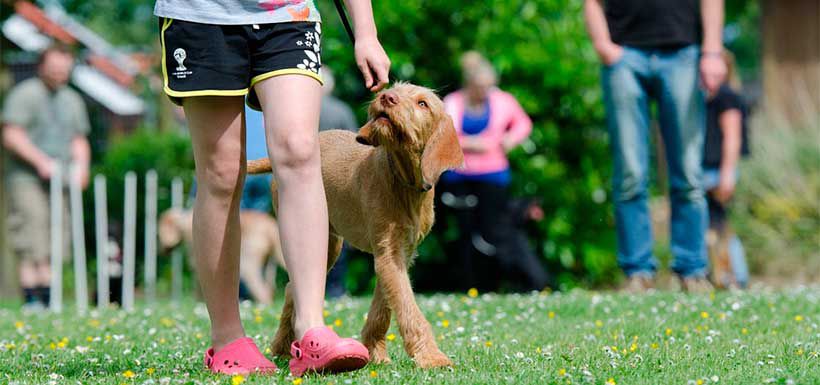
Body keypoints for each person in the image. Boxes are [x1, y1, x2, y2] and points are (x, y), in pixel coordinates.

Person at [153, 0, 390, 376]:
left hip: (286, 14)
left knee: (299, 150)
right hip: (201, 15)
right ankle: (228, 338)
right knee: (222, 173)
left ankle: (311, 329)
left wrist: (366, 32)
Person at [584, 0, 727, 292]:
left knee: (688, 171)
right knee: (630, 172)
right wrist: (603, 46)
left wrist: (712, 51)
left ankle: (692, 271)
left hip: (682, 54)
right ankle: (637, 272)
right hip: (624, 56)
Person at [2, 44, 91, 310]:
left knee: (57, 237)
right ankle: (32, 301)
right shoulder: (25, 94)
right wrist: (40, 161)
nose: (59, 73)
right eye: (54, 68)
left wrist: (82, 168)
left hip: (60, 179)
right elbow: (11, 134)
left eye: (64, 69)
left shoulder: (71, 99)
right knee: (32, 235)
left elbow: (78, 139)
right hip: (26, 178)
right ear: (42, 66)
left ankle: (50, 299)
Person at [438, 51, 534, 291]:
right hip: (459, 176)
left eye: (487, 86)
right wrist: (473, 144)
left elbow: (523, 123)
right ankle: (471, 285)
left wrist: (510, 139)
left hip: (494, 176)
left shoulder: (503, 101)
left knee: (496, 232)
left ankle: (513, 284)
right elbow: (443, 135)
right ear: (469, 83)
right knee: (465, 233)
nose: (484, 91)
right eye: (479, 86)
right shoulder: (453, 101)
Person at [702, 50, 749, 288]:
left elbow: (733, 138)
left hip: (716, 171)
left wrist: (727, 173)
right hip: (707, 170)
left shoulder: (726, 97)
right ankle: (720, 276)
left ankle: (735, 277)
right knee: (713, 227)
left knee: (720, 228)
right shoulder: (709, 99)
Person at [316, 67, 359, 298]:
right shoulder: (341, 110)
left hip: (307, 178)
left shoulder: (299, 109)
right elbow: (356, 145)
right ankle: (336, 289)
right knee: (337, 235)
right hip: (338, 181)